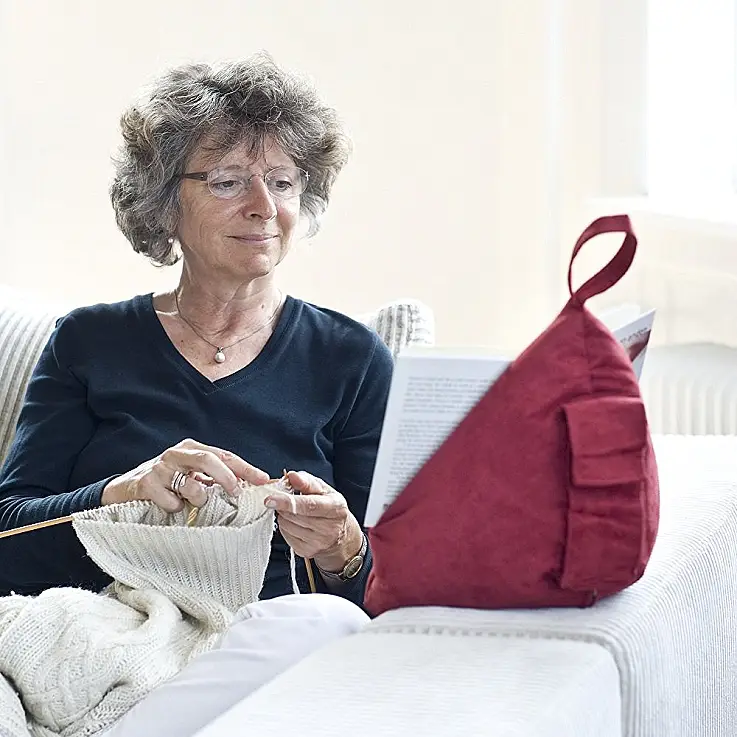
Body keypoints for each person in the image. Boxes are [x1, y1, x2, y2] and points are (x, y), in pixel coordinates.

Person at [0, 54, 391, 735]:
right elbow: (9, 539)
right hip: (97, 632)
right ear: (163, 201)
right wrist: (123, 493)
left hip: (253, 647)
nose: (264, 207)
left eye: (283, 181)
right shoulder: (88, 342)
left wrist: (343, 549)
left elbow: (390, 592)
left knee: (326, 621)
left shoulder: (349, 358)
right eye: (227, 180)